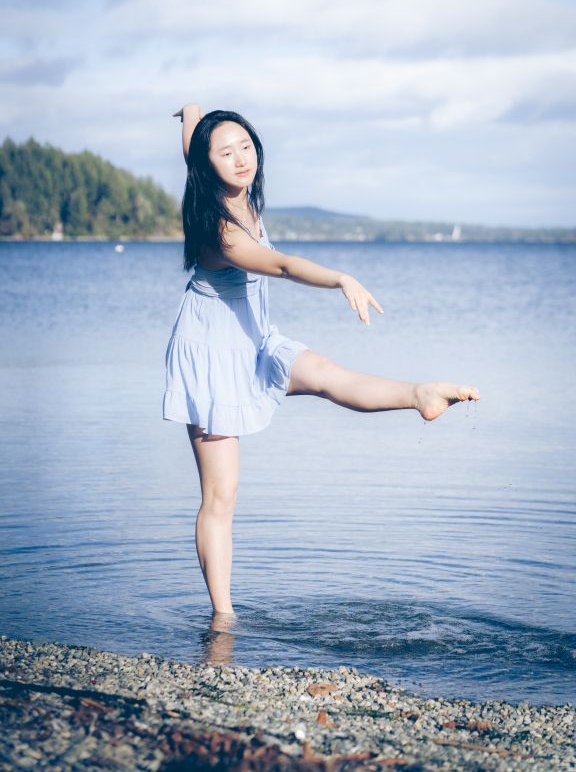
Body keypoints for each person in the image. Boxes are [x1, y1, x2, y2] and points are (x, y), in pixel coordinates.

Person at [164, 102, 480, 616]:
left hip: (255, 337)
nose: (241, 159)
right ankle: (223, 618)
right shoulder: (218, 230)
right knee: (221, 495)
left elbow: (193, 152)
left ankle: (419, 394)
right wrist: (340, 278)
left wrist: (193, 117)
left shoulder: (230, 189)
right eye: (226, 152)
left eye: (246, 146)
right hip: (212, 354)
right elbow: (283, 265)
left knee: (330, 376)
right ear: (209, 166)